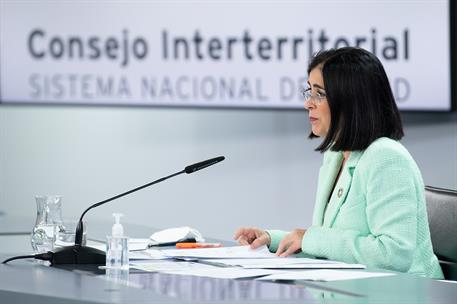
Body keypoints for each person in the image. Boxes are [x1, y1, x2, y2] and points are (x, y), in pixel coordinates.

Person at [234, 47, 444, 279]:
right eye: (309, 91)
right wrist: (272, 240)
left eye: (320, 94)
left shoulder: (387, 157)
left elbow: (392, 255)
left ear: (351, 100)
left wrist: (309, 238)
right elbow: (334, 248)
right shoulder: (336, 155)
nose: (308, 103)